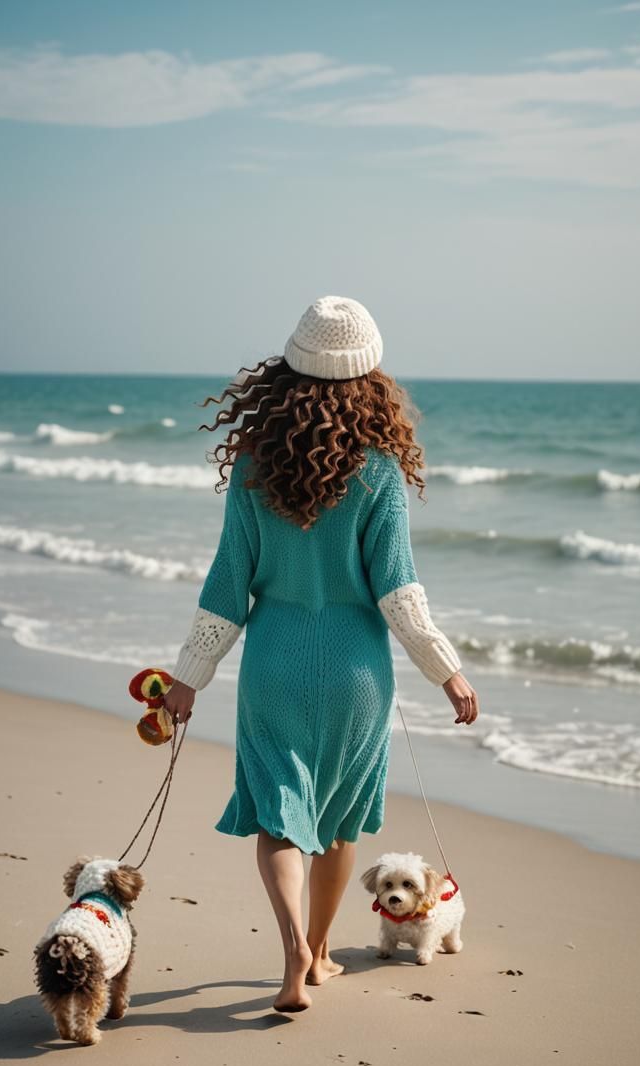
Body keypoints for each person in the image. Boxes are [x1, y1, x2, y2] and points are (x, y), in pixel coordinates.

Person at [165, 296, 479, 1013]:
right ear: (371, 380)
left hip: (273, 662)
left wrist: (186, 679)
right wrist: (446, 670)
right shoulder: (379, 471)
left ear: (287, 372)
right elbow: (399, 592)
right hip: (356, 672)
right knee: (338, 820)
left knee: (279, 818)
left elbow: (226, 586)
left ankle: (291, 953)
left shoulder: (251, 465)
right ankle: (324, 949)